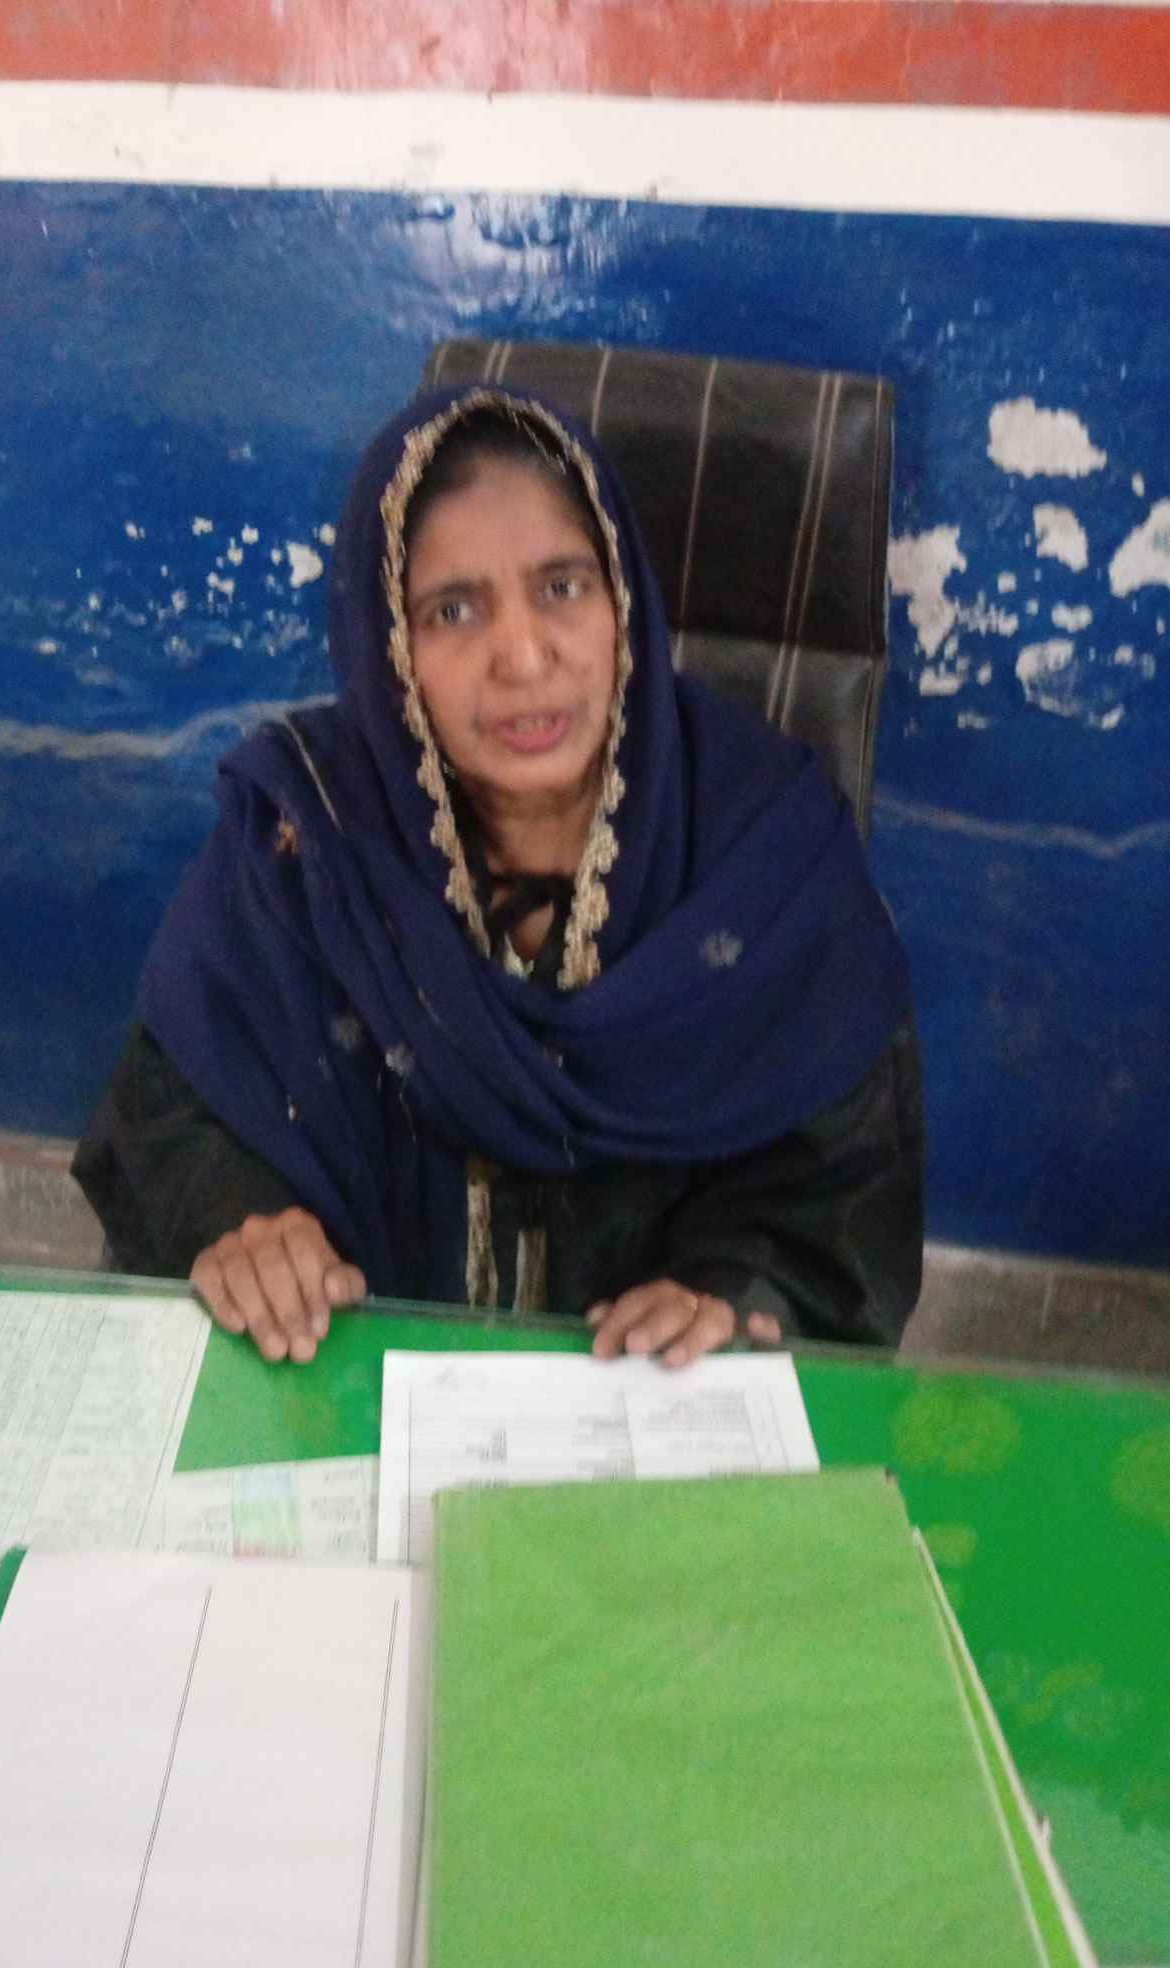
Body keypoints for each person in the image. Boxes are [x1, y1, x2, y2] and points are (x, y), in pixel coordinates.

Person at [73, 385, 923, 1367]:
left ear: (624, 600)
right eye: (453, 610)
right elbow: (176, 1104)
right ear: (389, 645)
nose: (522, 657)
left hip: (646, 1414)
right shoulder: (307, 841)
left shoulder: (770, 856)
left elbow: (842, 1190)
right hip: (346, 1386)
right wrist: (243, 1222)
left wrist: (733, 1293)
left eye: (562, 587)